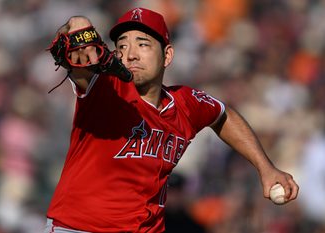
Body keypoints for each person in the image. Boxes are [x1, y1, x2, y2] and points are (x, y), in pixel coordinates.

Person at [44, 7, 299, 233]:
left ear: (167, 55)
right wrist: (78, 25)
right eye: (122, 46)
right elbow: (78, 51)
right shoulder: (104, 88)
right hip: (79, 228)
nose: (130, 54)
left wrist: (265, 168)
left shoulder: (186, 103)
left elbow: (224, 115)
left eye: (142, 44)